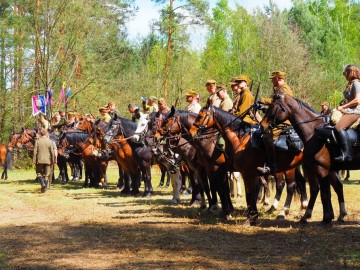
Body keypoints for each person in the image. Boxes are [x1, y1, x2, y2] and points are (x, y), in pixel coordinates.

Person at [257, 71, 294, 175]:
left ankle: (272, 166)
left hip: (283, 121)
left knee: (267, 137)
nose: (272, 81)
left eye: (273, 79)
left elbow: (278, 104)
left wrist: (262, 99)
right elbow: (274, 107)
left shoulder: (284, 90)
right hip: (277, 119)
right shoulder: (279, 89)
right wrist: (264, 108)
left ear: (277, 79)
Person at [333, 64, 360, 162]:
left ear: (350, 73)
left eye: (345, 73)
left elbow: (357, 100)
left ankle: (346, 153)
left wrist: (343, 107)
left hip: (356, 111)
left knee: (338, 127)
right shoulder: (351, 84)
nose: (344, 75)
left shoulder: (356, 83)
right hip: (349, 111)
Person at [33, 128, 55, 193]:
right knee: (46, 175)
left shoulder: (37, 141)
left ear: (41, 134)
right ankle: (44, 188)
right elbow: (52, 152)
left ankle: (42, 184)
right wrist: (53, 160)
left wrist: (34, 160)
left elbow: (35, 152)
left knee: (39, 173)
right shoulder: (50, 141)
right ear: (46, 133)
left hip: (39, 160)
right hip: (48, 160)